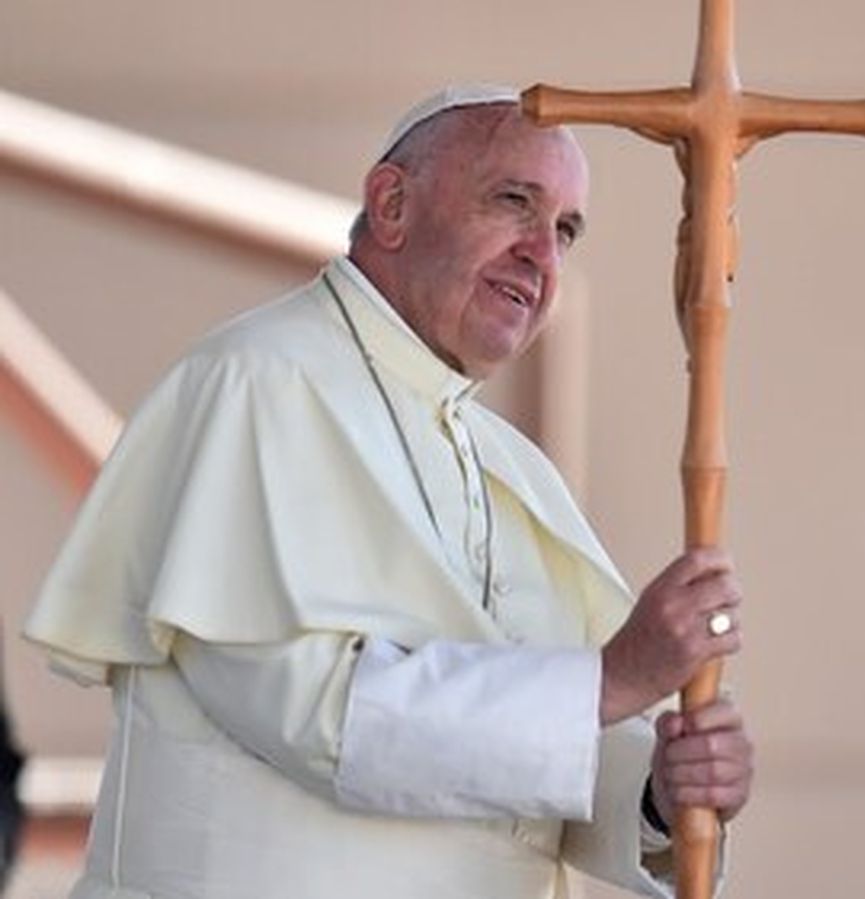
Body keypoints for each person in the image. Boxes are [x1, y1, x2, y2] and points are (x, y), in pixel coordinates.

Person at [24, 84, 753, 899]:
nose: (541, 255)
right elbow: (320, 715)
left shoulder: (513, 469)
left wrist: (659, 788)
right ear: (392, 203)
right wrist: (611, 680)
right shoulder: (257, 383)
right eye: (515, 202)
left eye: (566, 232)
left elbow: (531, 780)